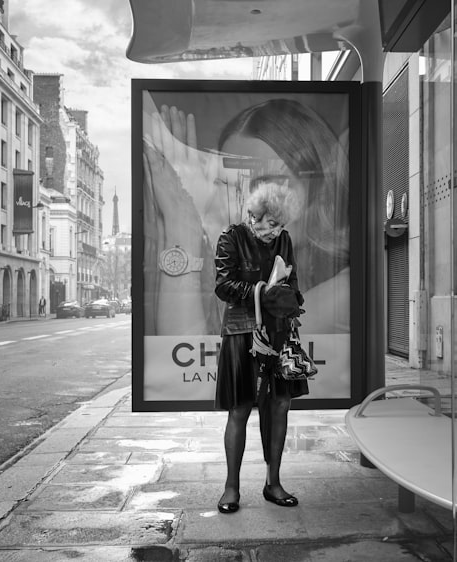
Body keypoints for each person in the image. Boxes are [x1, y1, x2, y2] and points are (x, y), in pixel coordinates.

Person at [143, 95, 350, 336]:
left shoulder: (342, 293)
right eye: (230, 185)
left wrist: (182, 218)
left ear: (318, 188)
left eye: (267, 186)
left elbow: (202, 367)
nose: (247, 209)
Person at [213, 182, 307, 514]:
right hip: (241, 333)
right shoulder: (231, 237)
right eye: (267, 224)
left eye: (278, 225)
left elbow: (294, 284)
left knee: (280, 404)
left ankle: (274, 483)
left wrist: (292, 298)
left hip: (278, 333)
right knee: (239, 408)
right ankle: (231, 488)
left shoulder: (284, 240)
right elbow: (223, 285)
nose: (272, 232)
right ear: (253, 215)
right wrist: (262, 291)